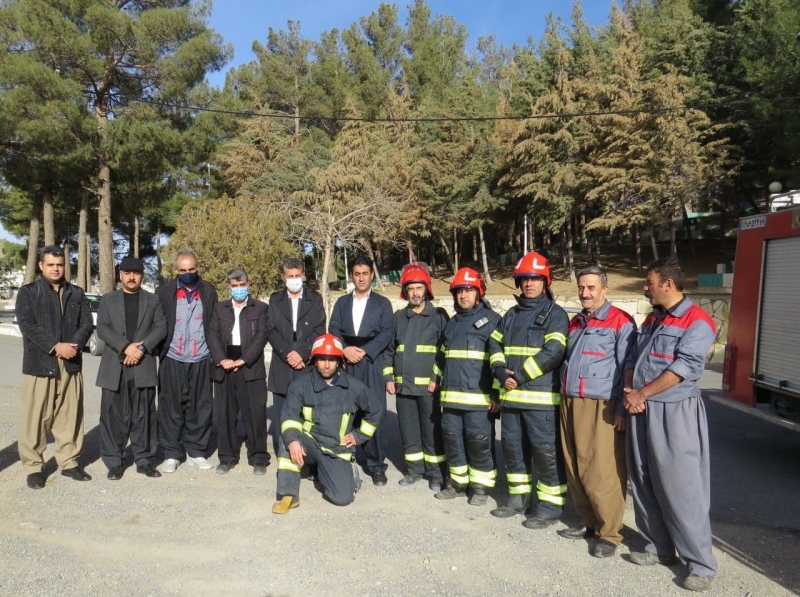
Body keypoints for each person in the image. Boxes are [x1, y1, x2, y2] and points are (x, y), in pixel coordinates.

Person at [624, 257, 718, 592]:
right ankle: (658, 547)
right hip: (640, 408)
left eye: (649, 282)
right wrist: (631, 390)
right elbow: (633, 357)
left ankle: (701, 565)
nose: (644, 287)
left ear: (668, 284)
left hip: (674, 411)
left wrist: (642, 393)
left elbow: (684, 368)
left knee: (682, 488)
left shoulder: (698, 321)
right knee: (643, 479)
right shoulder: (653, 318)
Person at [487, 251, 569, 527]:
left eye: (535, 278)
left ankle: (549, 507)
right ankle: (518, 499)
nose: (529, 283)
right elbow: (494, 344)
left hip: (541, 403)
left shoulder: (556, 315)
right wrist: (500, 371)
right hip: (512, 401)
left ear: (545, 282)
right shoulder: (510, 315)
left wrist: (518, 376)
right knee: (513, 451)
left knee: (546, 454)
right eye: (524, 279)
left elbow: (554, 352)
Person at [557, 265, 635, 557]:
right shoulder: (576, 322)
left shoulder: (621, 321)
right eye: (581, 287)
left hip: (601, 405)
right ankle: (588, 521)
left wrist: (622, 410)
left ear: (604, 289)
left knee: (602, 470)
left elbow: (628, 367)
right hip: (570, 400)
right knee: (575, 465)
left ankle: (609, 533)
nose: (585, 293)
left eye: (591, 287)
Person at [273, 334, 385, 513]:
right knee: (288, 440)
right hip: (309, 442)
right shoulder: (300, 386)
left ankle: (324, 472)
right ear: (314, 361)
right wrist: (293, 441)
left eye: (331, 360)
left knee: (343, 498)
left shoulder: (353, 387)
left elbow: (376, 410)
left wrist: (359, 435)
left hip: (336, 449)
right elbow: (289, 416)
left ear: (339, 362)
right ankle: (288, 494)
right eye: (322, 359)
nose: (326, 365)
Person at [15, 245, 94, 489]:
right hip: (40, 363)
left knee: (70, 416)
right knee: (35, 418)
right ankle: (34, 467)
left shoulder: (76, 293)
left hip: (70, 363)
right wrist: (55, 346)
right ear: (41, 265)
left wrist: (75, 344)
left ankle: (69, 462)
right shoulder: (29, 292)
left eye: (59, 264)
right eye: (50, 265)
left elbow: (86, 323)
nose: (56, 269)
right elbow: (27, 325)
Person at [429, 267, 500, 506]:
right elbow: (442, 357)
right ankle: (458, 484)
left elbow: (499, 360)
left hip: (479, 400)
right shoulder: (452, 324)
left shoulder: (493, 321)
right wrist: (435, 378)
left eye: (468, 290)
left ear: (478, 292)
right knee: (452, 441)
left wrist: (496, 394)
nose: (463, 295)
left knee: (478, 442)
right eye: (459, 291)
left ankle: (480, 488)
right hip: (451, 399)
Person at [95, 256, 167, 480]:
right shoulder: (108, 300)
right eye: (127, 273)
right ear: (120, 275)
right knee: (113, 416)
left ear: (141, 276)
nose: (131, 277)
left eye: (136, 273)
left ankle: (144, 460)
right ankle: (114, 461)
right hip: (114, 367)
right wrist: (126, 347)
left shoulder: (153, 300)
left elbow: (161, 328)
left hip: (143, 366)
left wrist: (141, 348)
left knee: (144, 416)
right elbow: (103, 328)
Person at [329, 255, 393, 486]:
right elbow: (333, 328)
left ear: (372, 275)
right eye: (357, 274)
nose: (361, 278)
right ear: (352, 276)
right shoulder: (342, 303)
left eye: (365, 273)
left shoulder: (382, 303)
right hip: (347, 362)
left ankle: (376, 464)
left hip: (371, 362)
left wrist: (365, 351)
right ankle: (347, 458)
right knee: (346, 410)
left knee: (373, 410)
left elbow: (387, 332)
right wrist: (344, 349)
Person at [384, 264, 449, 491]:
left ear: (426, 290)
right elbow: (388, 351)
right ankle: (414, 470)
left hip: (429, 389)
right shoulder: (398, 318)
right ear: (405, 292)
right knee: (408, 431)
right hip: (403, 388)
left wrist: (436, 378)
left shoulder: (439, 316)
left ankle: (436, 474)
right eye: (410, 288)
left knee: (432, 431)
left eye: (418, 288)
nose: (414, 293)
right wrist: (388, 378)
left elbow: (445, 351)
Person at [155, 248, 218, 473]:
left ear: (197, 268)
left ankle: (197, 451)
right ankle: (171, 453)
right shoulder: (164, 292)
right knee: (170, 407)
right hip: (173, 357)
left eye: (191, 269)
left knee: (200, 407)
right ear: (176, 270)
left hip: (200, 357)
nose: (187, 273)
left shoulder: (208, 291)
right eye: (182, 270)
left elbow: (213, 324)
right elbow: (158, 323)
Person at [208, 268, 270, 475]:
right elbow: (212, 335)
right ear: (229, 287)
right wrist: (222, 359)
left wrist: (243, 360)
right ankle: (227, 457)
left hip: (250, 367)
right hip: (224, 367)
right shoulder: (219, 308)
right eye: (235, 286)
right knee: (225, 414)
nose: (239, 289)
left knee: (255, 414)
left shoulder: (260, 308)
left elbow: (261, 336)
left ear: (248, 284)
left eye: (242, 285)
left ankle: (258, 457)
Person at [266, 258, 326, 453]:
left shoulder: (315, 299)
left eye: (297, 275)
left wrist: (302, 353)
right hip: (282, 360)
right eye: (290, 276)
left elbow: (319, 330)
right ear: (283, 277)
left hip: (305, 362)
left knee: (307, 410)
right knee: (282, 410)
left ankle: (308, 455)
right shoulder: (275, 299)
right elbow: (271, 330)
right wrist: (288, 353)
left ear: (303, 275)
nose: (294, 279)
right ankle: (284, 453)